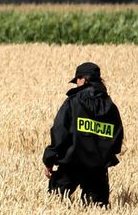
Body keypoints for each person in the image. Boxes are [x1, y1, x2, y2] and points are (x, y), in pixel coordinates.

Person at [43, 61, 124, 206]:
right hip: (97, 169)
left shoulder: (73, 102)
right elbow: (117, 139)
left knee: (53, 204)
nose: (76, 84)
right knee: (97, 212)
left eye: (77, 80)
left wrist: (49, 160)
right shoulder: (110, 106)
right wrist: (103, 157)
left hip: (71, 164)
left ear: (83, 79)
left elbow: (59, 132)